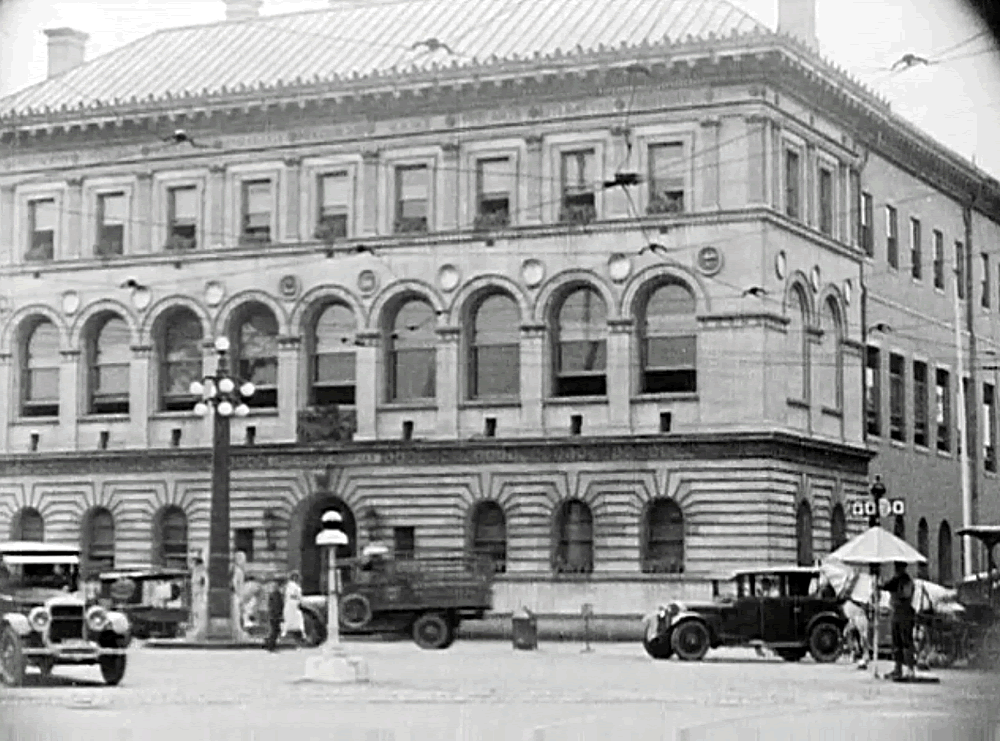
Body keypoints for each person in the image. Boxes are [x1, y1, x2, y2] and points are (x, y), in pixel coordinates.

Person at [882, 561, 916, 680]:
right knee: (896, 643)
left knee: (906, 642)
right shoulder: (897, 580)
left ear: (903, 568)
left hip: (904, 613)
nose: (896, 569)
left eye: (898, 567)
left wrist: (888, 585)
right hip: (896, 613)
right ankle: (898, 669)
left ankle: (910, 669)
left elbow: (904, 595)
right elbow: (887, 586)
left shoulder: (906, 580)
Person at [281, 571, 305, 647]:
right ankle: (300, 635)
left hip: (289, 605)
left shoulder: (287, 586)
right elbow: (298, 597)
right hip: (292, 605)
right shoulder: (294, 587)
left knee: (291, 620)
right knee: (297, 620)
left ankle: (285, 634)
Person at [263, 576, 285, 652]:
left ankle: (269, 643)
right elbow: (277, 606)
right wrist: (278, 615)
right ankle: (270, 645)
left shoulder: (275, 594)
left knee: (274, 631)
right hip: (275, 615)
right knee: (275, 631)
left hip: (273, 615)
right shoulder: (276, 595)